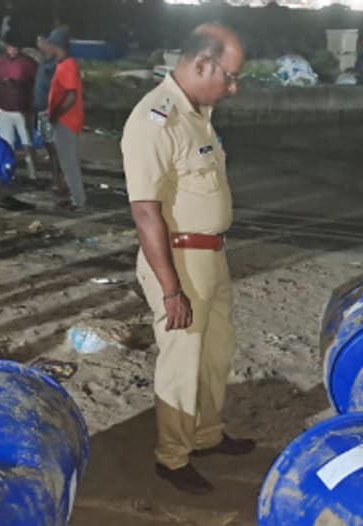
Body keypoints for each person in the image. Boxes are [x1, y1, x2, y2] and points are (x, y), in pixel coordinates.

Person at [120, 23, 252, 495]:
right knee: (181, 361)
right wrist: (170, 288)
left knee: (215, 355)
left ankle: (207, 435)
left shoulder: (199, 113)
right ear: (201, 64)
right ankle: (172, 458)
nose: (233, 87)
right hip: (178, 260)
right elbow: (144, 209)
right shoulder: (154, 118)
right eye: (230, 76)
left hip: (211, 256)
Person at [43, 26, 86, 210]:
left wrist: (55, 115)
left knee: (69, 163)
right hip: (66, 120)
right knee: (66, 162)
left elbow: (70, 96)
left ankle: (78, 201)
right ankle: (75, 198)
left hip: (66, 121)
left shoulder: (66, 66)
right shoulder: (65, 64)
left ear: (55, 45)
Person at [0, 34, 38, 181]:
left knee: (27, 142)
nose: (13, 50)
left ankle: (32, 174)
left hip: (22, 108)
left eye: (16, 48)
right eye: (10, 47)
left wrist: (19, 85)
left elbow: (35, 84)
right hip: (4, 107)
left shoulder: (28, 63)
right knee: (6, 142)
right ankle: (9, 173)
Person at [33, 34, 61, 193]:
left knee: (54, 147)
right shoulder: (44, 62)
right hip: (42, 110)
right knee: (49, 147)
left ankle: (60, 181)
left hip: (50, 111)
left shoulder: (56, 64)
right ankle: (57, 179)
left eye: (40, 42)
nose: (39, 45)